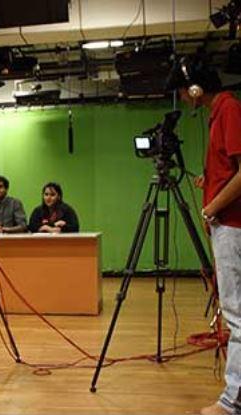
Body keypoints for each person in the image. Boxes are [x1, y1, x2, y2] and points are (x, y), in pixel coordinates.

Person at [169, 55, 241, 415]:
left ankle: (233, 400)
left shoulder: (228, 109)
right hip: (229, 223)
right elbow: (230, 170)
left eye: (183, 92)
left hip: (232, 226)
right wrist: (210, 182)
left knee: (236, 315)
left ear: (196, 89)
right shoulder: (220, 113)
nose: (183, 99)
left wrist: (211, 207)